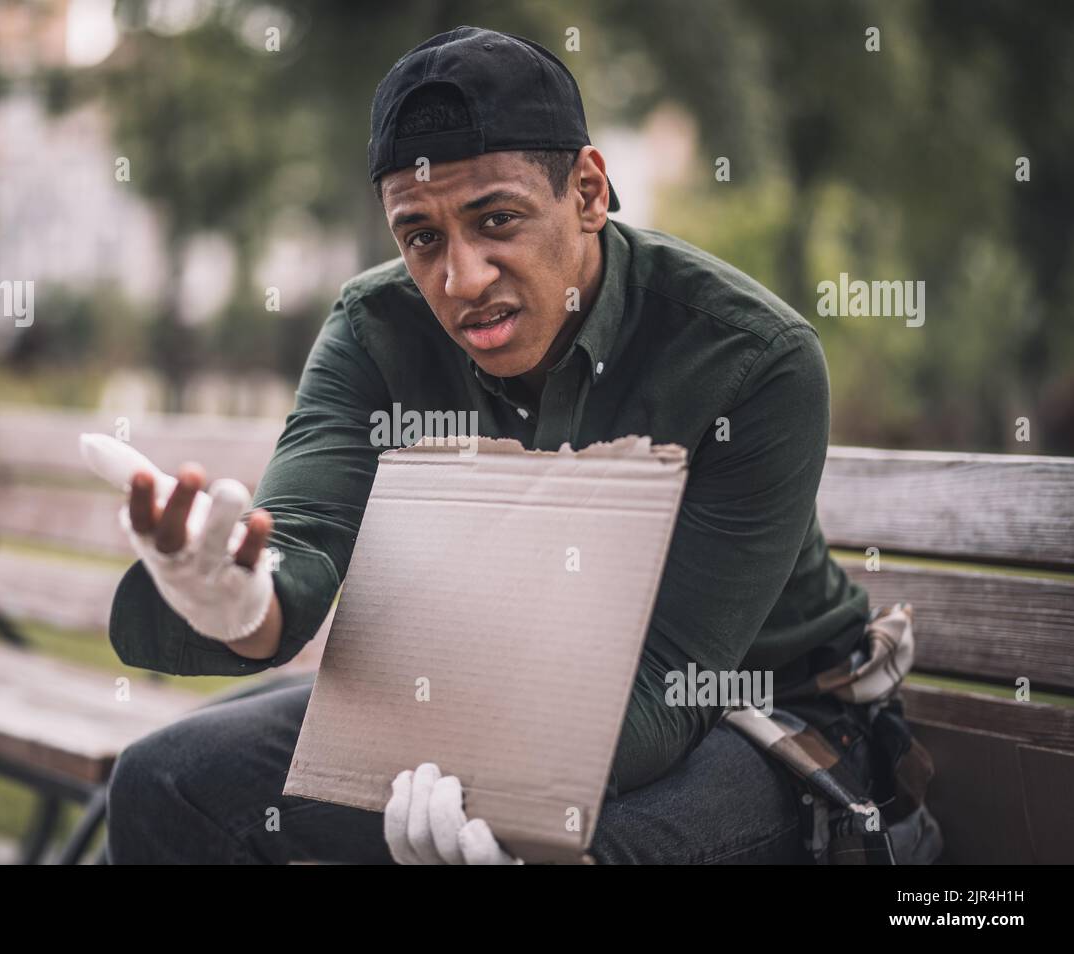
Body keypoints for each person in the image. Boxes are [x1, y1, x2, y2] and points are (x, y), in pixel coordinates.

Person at [103, 25, 878, 864]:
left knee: (579, 854)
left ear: (587, 191)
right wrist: (242, 604)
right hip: (472, 690)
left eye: (496, 219)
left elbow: (668, 690)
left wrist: (490, 796)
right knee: (163, 780)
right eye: (422, 237)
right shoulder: (374, 330)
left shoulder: (749, 358)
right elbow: (302, 538)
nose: (461, 278)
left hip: (755, 709)